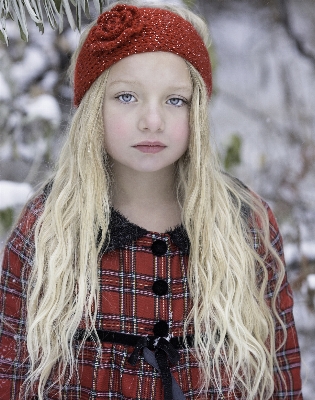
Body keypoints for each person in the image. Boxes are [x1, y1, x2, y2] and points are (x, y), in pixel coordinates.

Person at [0, 1, 303, 399]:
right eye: (127, 97)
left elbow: (281, 377)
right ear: (93, 107)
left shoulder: (245, 223)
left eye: (174, 100)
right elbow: (12, 375)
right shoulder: (48, 227)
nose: (153, 121)